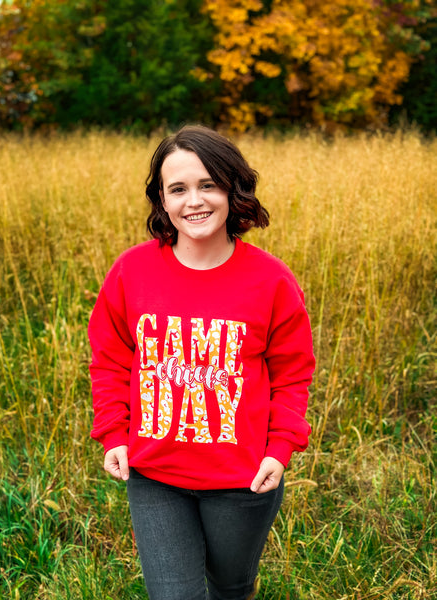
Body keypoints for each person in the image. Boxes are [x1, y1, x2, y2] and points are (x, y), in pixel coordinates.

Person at [88, 125, 315, 600]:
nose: (195, 200)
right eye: (178, 189)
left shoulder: (271, 281)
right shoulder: (132, 272)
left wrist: (279, 449)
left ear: (233, 189)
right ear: (163, 201)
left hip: (243, 479)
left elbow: (293, 374)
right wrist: (113, 430)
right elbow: (110, 359)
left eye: (208, 184)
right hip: (155, 477)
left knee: (231, 587)